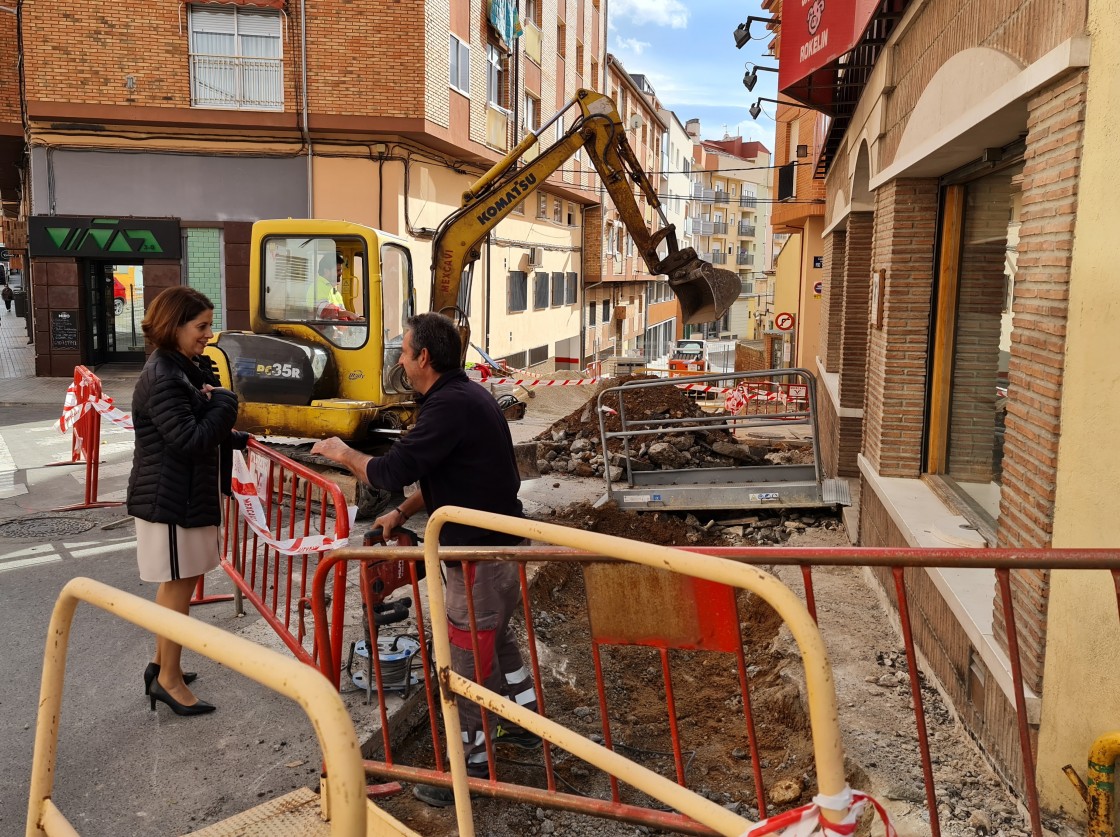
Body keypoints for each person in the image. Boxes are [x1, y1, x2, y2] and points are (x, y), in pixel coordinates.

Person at [311, 312, 540, 807]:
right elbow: (445, 476)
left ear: (424, 358)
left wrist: (342, 452)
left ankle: (471, 765)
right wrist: (401, 513)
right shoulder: (464, 395)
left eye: (403, 351)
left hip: (478, 557)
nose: (399, 360)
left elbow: (391, 468)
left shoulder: (447, 406)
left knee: (466, 661)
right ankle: (526, 722)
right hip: (496, 551)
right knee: (496, 643)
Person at [126, 286, 248, 716]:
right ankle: (168, 680)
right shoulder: (164, 376)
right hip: (171, 500)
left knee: (179, 585)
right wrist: (226, 405)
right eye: (201, 326)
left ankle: (161, 664)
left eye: (209, 325)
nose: (208, 335)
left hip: (179, 497)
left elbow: (194, 424)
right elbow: (190, 439)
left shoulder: (180, 369)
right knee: (177, 588)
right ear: (173, 326)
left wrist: (230, 432)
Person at [309, 252, 361, 321]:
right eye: (338, 270)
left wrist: (356, 318)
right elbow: (326, 311)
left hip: (334, 330)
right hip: (321, 330)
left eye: (341, 270)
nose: (341, 273)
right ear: (326, 271)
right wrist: (349, 314)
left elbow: (341, 314)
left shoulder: (334, 291)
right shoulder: (317, 287)